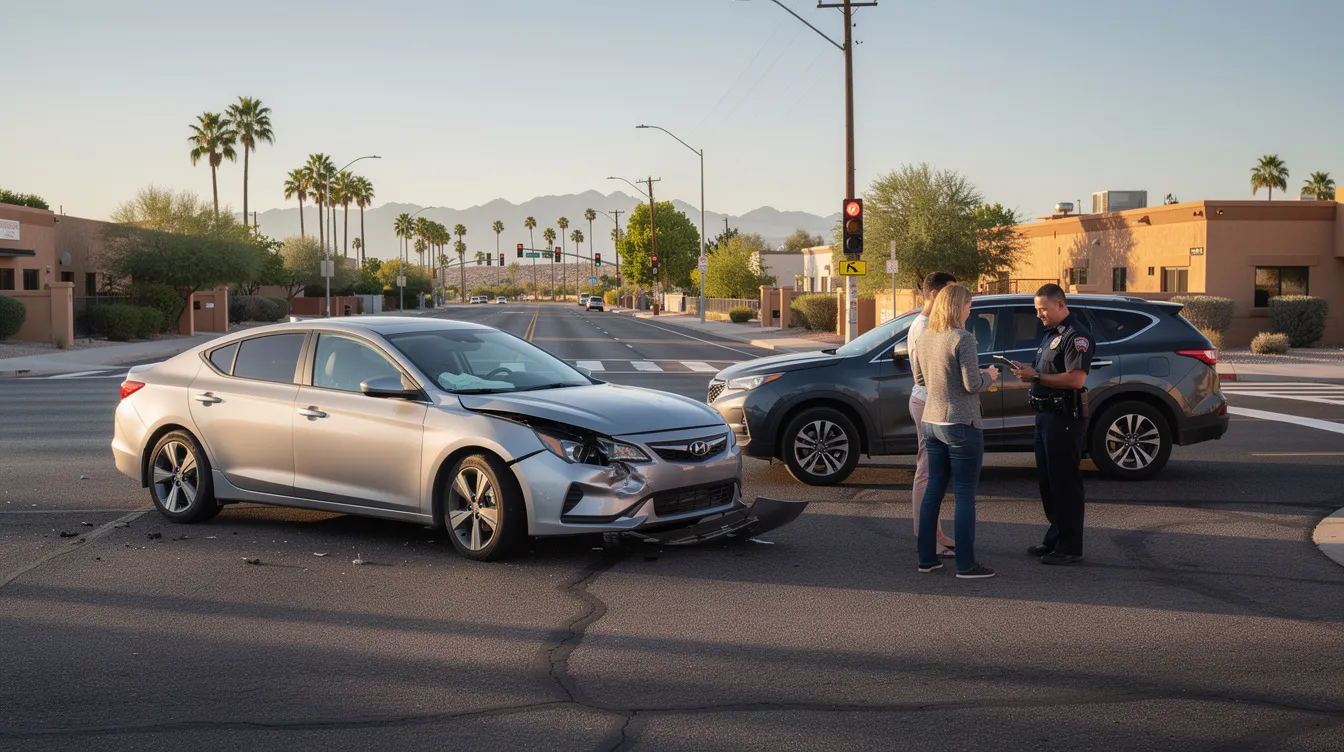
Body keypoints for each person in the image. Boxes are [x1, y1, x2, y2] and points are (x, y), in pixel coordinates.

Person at [910, 283, 999, 579]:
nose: (970, 310)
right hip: (962, 423)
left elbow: (920, 378)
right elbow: (971, 385)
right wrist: (989, 376)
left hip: (932, 421)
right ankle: (966, 564)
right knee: (963, 495)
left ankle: (926, 558)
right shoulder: (963, 338)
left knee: (934, 489)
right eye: (968, 305)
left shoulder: (924, 338)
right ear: (957, 306)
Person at [1007, 284, 1094, 565]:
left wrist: (1036, 378)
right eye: (1036, 309)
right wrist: (1029, 373)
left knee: (1064, 483)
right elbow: (1045, 371)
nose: (1038, 314)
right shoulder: (1050, 335)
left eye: (1043, 309)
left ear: (1060, 305)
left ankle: (1070, 547)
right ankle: (1055, 538)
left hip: (1064, 418)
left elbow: (1076, 379)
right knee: (1048, 483)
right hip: (1045, 417)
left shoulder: (1076, 336)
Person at [906, 271, 959, 557]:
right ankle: (926, 537)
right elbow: (927, 374)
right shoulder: (925, 325)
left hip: (928, 401)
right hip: (929, 402)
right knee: (927, 472)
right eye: (949, 293)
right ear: (935, 294)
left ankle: (935, 532)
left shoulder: (928, 323)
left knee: (933, 470)